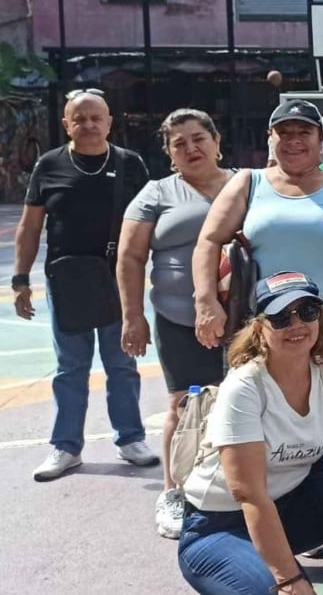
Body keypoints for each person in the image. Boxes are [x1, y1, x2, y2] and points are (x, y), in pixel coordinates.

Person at [178, 273, 323, 595]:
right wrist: (290, 579)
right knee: (274, 590)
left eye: (307, 312)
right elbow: (250, 495)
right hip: (220, 526)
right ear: (259, 327)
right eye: (280, 317)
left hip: (289, 510)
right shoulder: (245, 386)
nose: (296, 323)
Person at [15, 90, 155, 483]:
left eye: (97, 117)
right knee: (70, 368)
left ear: (110, 121)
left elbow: (150, 222)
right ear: (66, 124)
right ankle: (66, 447)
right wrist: (20, 279)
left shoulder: (130, 165)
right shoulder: (48, 165)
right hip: (68, 279)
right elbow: (30, 227)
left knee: (123, 363)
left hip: (119, 280)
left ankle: (131, 439)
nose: (89, 125)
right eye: (80, 118)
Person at [192, 100, 323, 377]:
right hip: (264, 329)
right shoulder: (248, 183)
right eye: (285, 133)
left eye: (303, 132)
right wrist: (205, 302)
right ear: (271, 138)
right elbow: (208, 241)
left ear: (320, 139)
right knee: (260, 417)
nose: (294, 141)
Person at [117, 109, 231, 537]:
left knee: (249, 402)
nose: (191, 148)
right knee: (185, 407)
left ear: (217, 141)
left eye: (199, 137)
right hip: (178, 319)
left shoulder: (247, 183)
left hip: (243, 319)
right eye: (179, 143)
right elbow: (130, 257)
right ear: (168, 153)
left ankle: (244, 487)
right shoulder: (155, 193)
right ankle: (174, 492)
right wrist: (132, 317)